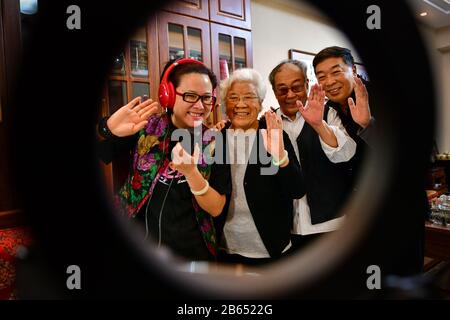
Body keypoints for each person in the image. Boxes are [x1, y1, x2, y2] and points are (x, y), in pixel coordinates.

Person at [97, 58, 231, 262]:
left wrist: (192, 173)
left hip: (193, 253)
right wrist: (107, 129)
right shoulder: (143, 127)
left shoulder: (215, 141)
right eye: (190, 95)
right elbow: (100, 153)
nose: (200, 105)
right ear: (167, 94)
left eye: (206, 98)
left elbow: (216, 207)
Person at [214, 68, 306, 266]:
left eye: (249, 97)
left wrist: (280, 157)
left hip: (271, 249)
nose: (240, 104)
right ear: (224, 103)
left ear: (260, 103)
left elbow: (297, 189)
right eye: (233, 97)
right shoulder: (215, 140)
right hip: (224, 247)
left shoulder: (273, 135)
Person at [268, 59, 357, 251]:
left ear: (307, 85)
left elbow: (346, 153)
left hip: (332, 224)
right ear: (274, 92)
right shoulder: (267, 122)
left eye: (297, 87)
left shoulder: (327, 113)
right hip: (287, 229)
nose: (290, 95)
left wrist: (318, 125)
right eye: (282, 90)